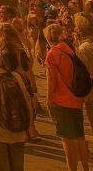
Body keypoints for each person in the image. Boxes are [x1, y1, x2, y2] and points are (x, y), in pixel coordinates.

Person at [44, 23, 89, 171]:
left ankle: (72, 169)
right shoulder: (68, 49)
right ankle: (86, 167)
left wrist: (49, 99)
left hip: (61, 101)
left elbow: (52, 80)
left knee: (67, 141)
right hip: (75, 98)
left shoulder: (52, 54)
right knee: (79, 137)